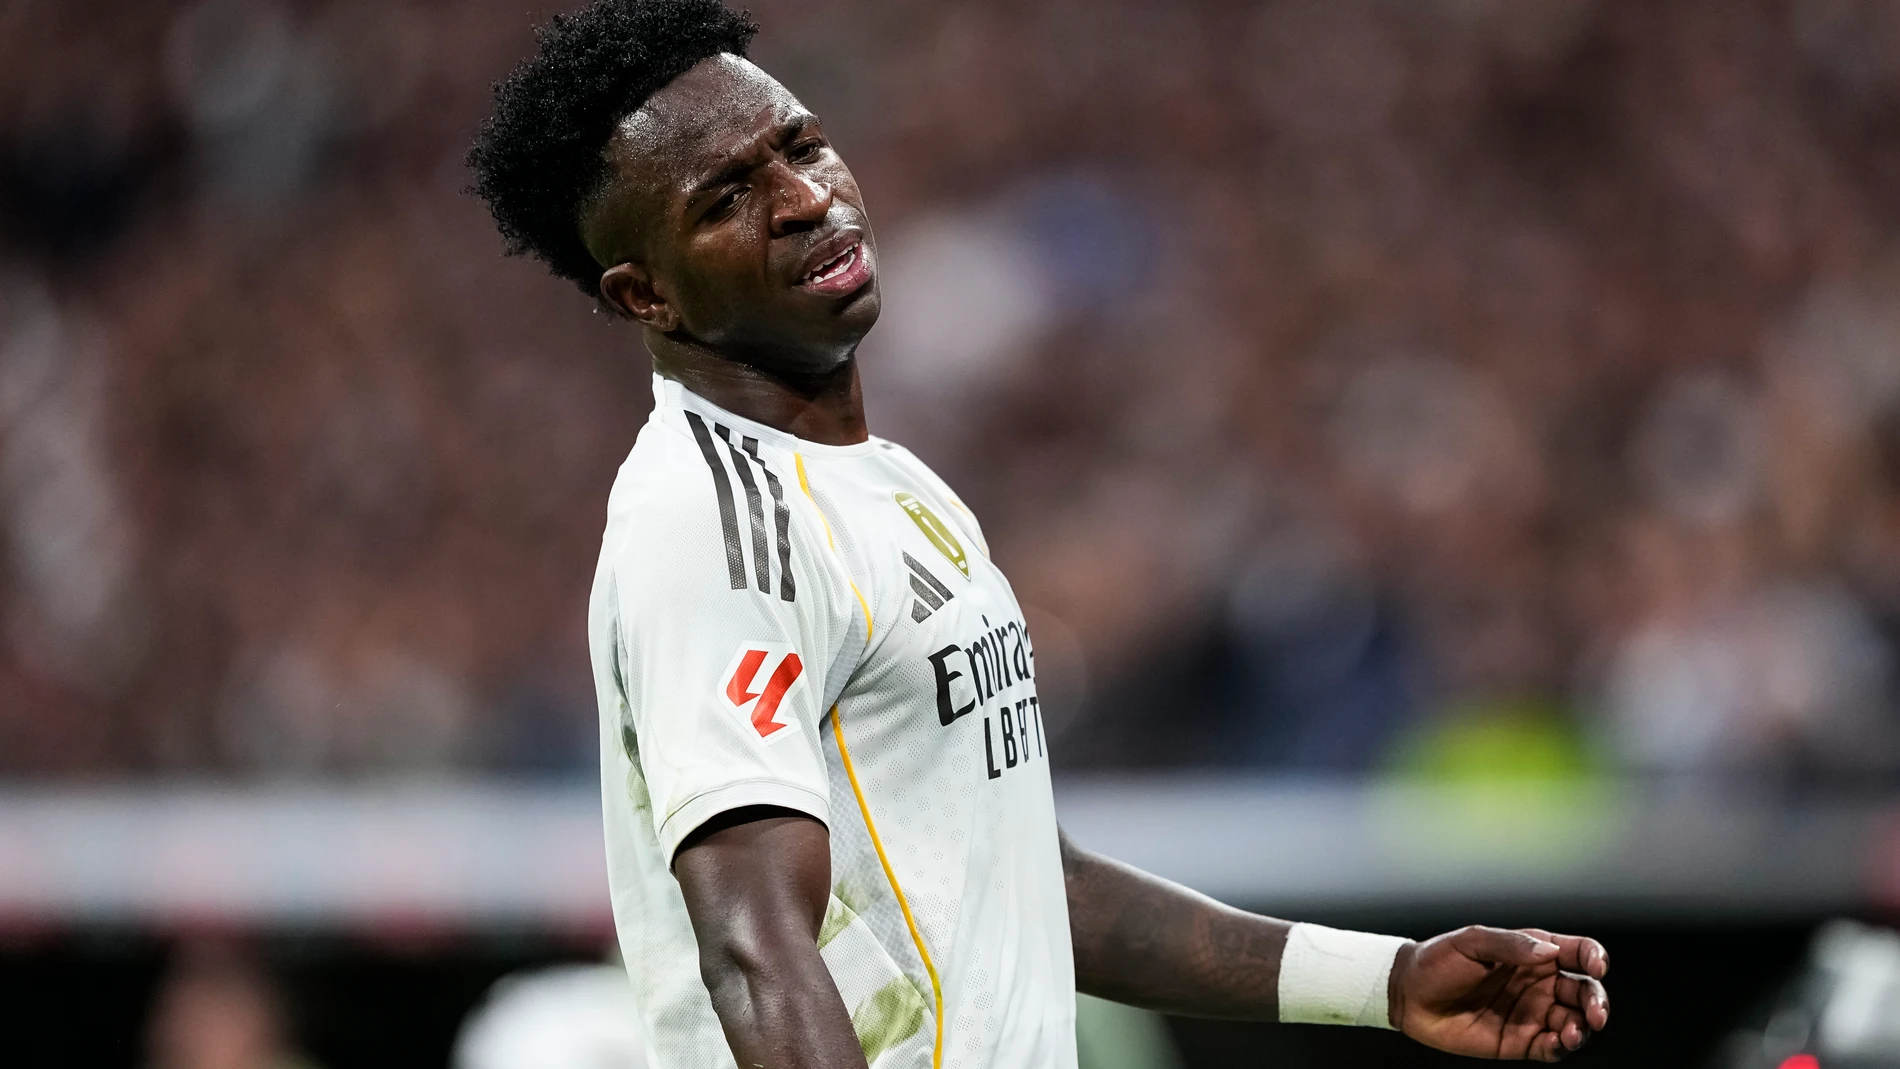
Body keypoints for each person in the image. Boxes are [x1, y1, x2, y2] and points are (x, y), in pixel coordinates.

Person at [465, 2, 1612, 1066]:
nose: (806, 198)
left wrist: (1385, 980)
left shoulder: (895, 488)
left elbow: (1029, 882)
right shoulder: (713, 525)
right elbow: (756, 947)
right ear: (643, 297)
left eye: (800, 147)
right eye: (725, 199)